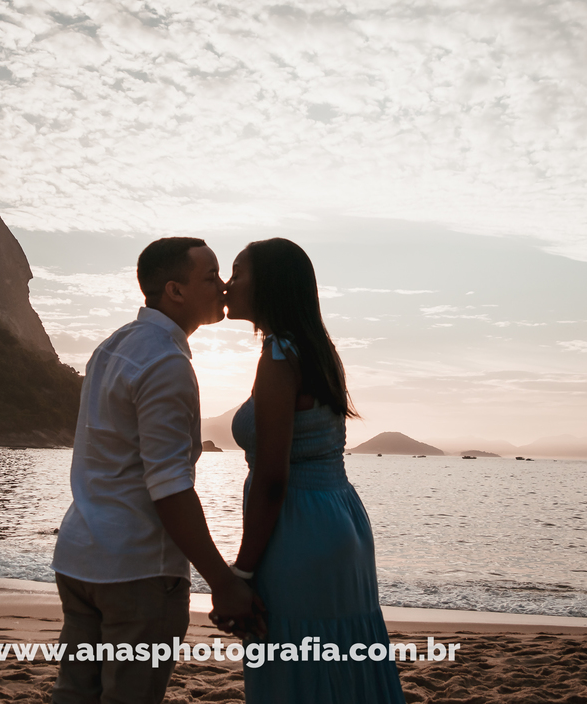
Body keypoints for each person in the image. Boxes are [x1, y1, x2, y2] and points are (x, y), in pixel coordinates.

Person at [51, 236, 263, 704]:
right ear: (175, 291)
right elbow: (169, 487)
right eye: (210, 277)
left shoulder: (113, 346)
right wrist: (222, 581)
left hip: (81, 557)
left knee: (75, 695)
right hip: (136, 572)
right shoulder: (165, 362)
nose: (222, 285)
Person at [222, 237, 405, 704]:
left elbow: (272, 479)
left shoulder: (281, 355)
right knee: (341, 659)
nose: (227, 284)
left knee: (293, 658)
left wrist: (240, 573)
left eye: (237, 272)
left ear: (269, 284)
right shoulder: (316, 349)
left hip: (298, 529)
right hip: (339, 519)